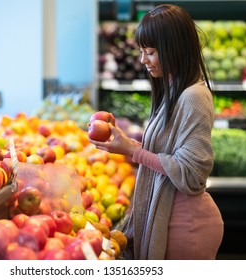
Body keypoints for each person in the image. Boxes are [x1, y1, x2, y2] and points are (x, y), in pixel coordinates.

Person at [89, 4, 224, 260]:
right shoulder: (172, 89)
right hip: (171, 219)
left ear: (174, 49)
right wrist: (128, 144)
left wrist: (134, 151)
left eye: (150, 52)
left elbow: (191, 173)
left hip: (188, 228)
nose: (143, 60)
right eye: (141, 52)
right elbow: (164, 154)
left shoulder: (194, 95)